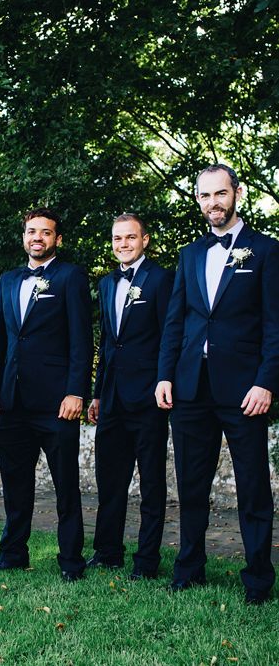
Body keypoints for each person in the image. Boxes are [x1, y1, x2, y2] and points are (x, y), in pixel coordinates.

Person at [156, 164, 279, 604]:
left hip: (245, 391)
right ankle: (190, 569)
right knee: (191, 484)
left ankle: (259, 580)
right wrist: (165, 375)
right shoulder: (189, 255)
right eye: (205, 196)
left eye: (220, 194)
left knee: (252, 487)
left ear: (237, 194)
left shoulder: (265, 251)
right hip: (190, 388)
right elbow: (175, 323)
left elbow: (275, 325)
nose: (213, 203)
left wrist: (266, 382)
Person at [0, 207, 92, 582]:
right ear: (24, 236)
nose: (38, 238)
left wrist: (76, 391)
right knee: (15, 485)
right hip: (12, 402)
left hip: (57, 403)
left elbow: (82, 340)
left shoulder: (71, 276)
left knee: (65, 487)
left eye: (46, 233)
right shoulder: (7, 280)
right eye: (32, 231)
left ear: (57, 239)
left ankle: (71, 561)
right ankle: (12, 554)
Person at [87, 213, 173, 579]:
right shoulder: (107, 284)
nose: (123, 244)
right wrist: (96, 394)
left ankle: (147, 560)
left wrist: (164, 380)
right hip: (112, 399)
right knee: (109, 480)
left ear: (145, 240)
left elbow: (170, 335)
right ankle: (108, 552)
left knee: (152, 483)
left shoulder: (161, 279)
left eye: (130, 237)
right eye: (117, 238)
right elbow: (108, 342)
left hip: (149, 398)